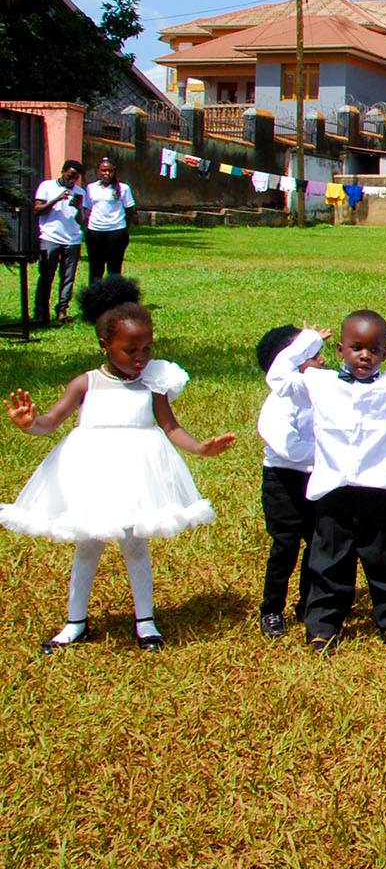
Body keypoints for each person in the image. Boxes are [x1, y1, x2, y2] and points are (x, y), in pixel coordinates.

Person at [1, 278, 231, 652]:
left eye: (146, 348)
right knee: (88, 542)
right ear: (104, 345)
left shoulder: (152, 385)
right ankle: (75, 621)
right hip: (92, 473)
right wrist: (30, 424)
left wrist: (201, 448)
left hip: (137, 476)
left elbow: (171, 428)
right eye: (130, 350)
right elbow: (50, 422)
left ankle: (146, 621)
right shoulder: (86, 384)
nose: (140, 358)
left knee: (134, 542)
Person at [265, 309, 386, 651]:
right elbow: (277, 377)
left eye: (373, 349)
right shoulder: (318, 383)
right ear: (340, 350)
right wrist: (305, 343)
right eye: (355, 347)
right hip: (333, 489)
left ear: (385, 353)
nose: (364, 355)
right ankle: (322, 626)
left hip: (380, 490)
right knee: (328, 562)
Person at [255, 324, 318, 638]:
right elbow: (288, 447)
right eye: (311, 354)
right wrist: (328, 454)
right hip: (284, 481)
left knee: (318, 542)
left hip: (315, 479)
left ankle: (308, 602)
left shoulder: (320, 391)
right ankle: (271, 609)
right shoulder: (279, 401)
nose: (321, 359)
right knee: (286, 545)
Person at [32, 159, 85, 325]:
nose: (72, 181)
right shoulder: (47, 186)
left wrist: (78, 208)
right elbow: (37, 210)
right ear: (62, 172)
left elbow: (83, 219)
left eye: (75, 178)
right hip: (51, 237)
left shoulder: (80, 192)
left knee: (68, 277)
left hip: (73, 239)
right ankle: (40, 312)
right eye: (70, 176)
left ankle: (62, 310)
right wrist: (56, 199)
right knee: (46, 275)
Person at [82, 155, 135, 283]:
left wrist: (123, 228)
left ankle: (114, 299)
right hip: (95, 231)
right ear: (98, 172)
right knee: (95, 268)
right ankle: (96, 298)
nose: (107, 173)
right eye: (103, 170)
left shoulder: (123, 188)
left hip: (116, 231)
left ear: (114, 171)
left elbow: (130, 210)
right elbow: (87, 208)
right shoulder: (91, 188)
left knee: (114, 268)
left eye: (110, 171)